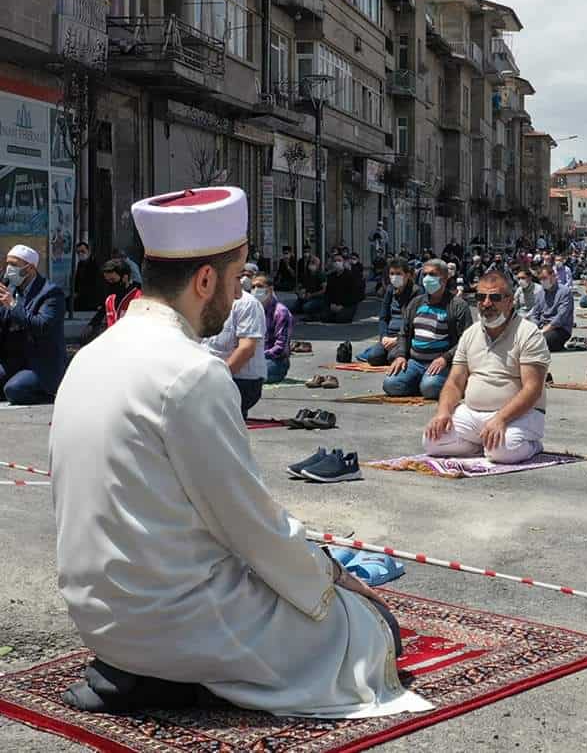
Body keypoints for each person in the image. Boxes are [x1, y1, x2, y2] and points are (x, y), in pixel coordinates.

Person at [50, 186, 427, 718]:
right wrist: (327, 577)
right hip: (170, 622)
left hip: (98, 618)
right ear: (205, 280)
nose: (235, 296)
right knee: (372, 631)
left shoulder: (90, 357)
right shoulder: (193, 373)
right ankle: (179, 678)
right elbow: (249, 525)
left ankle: (150, 671)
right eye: (234, 280)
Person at [423, 272, 550, 463]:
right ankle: (481, 446)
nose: (487, 303)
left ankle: (532, 446)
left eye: (495, 297)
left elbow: (532, 389)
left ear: (510, 301)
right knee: (431, 440)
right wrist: (443, 412)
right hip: (473, 412)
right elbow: (455, 383)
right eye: (481, 297)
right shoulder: (470, 334)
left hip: (519, 415)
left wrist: (501, 419)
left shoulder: (528, 333)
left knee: (502, 451)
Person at [383, 259, 472, 399]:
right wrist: (400, 355)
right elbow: (404, 333)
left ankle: (444, 382)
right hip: (415, 361)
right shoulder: (416, 303)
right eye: (424, 274)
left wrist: (445, 358)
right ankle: (422, 381)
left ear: (443, 279)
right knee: (391, 384)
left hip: (442, 362)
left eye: (432, 274)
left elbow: (466, 340)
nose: (426, 279)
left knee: (430, 388)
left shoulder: (457, 306)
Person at [0, 245, 66, 405]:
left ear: (29, 268)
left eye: (14, 265)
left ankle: (53, 395)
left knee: (14, 390)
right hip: (13, 360)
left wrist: (13, 306)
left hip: (40, 365)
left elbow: (42, 325)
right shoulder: (11, 289)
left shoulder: (51, 293)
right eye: (7, 264)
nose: (9, 269)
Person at [204, 262, 267, 419]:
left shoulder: (248, 304)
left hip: (238, 379)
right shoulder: (206, 303)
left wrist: (218, 378)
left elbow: (246, 349)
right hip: (208, 374)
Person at [359, 259, 416, 366]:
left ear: (407, 275)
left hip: (404, 337)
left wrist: (397, 340)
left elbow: (416, 323)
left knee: (392, 357)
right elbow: (383, 317)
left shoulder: (416, 292)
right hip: (388, 335)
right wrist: (384, 336)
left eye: (398, 274)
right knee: (373, 357)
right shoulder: (390, 289)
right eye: (392, 274)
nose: (395, 277)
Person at [252, 273, 292, 384]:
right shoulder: (253, 309)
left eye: (259, 286)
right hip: (256, 358)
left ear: (270, 289)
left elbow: (280, 348)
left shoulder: (281, 312)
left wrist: (258, 355)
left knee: (252, 377)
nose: (255, 290)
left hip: (275, 361)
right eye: (253, 287)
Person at [305, 253, 361, 323]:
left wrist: (342, 305)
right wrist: (331, 304)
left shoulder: (351, 276)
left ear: (343, 262)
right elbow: (328, 293)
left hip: (348, 304)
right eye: (335, 261)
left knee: (341, 319)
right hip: (334, 304)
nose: (337, 262)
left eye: (339, 260)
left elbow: (355, 295)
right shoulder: (331, 277)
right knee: (325, 318)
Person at [530, 264, 574, 352]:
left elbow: (561, 316)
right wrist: (536, 326)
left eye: (544, 278)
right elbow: (534, 314)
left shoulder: (565, 292)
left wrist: (545, 329)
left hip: (560, 329)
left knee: (540, 342)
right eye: (540, 279)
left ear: (553, 276)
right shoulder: (540, 293)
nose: (543, 281)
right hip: (542, 327)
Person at [72, 242, 105, 313]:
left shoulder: (95, 263)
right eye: (78, 252)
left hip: (92, 297)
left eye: (83, 251)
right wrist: (76, 292)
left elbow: (96, 283)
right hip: (83, 295)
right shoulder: (80, 263)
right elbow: (77, 279)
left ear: (88, 251)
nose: (80, 254)